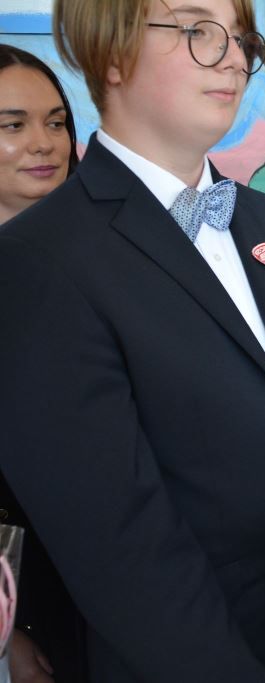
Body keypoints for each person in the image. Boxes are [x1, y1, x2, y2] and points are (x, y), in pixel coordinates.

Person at [0, 1, 265, 681]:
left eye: (240, 38)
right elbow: (121, 548)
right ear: (112, 53)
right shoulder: (39, 263)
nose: (232, 59)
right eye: (197, 30)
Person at [0, 42, 83, 683]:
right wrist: (16, 624)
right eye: (13, 125)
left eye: (56, 122)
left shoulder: (108, 259)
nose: (43, 143)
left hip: (114, 573)